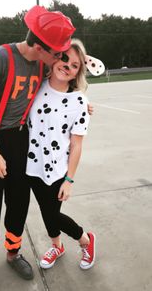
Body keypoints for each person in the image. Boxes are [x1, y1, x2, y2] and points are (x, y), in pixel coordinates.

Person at [0, 5, 77, 291]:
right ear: (39, 46)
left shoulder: (44, 64)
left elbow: (60, 87)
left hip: (22, 138)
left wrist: (80, 104)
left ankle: (13, 253)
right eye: (56, 51)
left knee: (18, 201)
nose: (59, 57)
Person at [26, 38, 103, 270]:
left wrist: (69, 180)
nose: (67, 66)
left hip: (58, 169)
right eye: (64, 58)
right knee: (45, 211)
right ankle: (57, 246)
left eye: (75, 65)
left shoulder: (79, 101)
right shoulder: (36, 84)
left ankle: (86, 240)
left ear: (79, 72)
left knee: (51, 214)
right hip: (30, 165)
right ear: (56, 56)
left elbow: (77, 144)